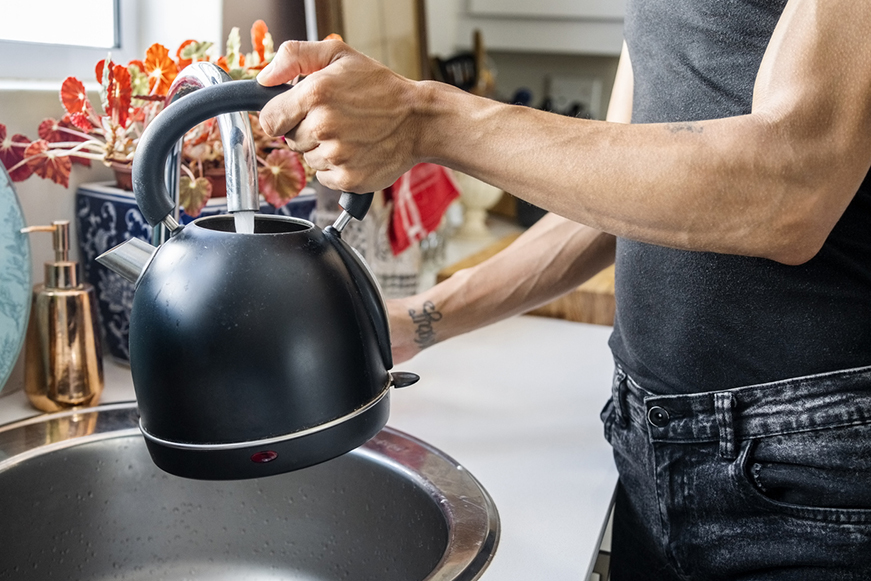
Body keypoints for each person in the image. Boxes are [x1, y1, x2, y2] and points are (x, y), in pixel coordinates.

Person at [256, 0, 871, 578]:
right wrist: (410, 323)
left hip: (814, 467)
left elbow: (791, 186)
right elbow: (614, 196)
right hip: (647, 438)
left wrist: (424, 116)